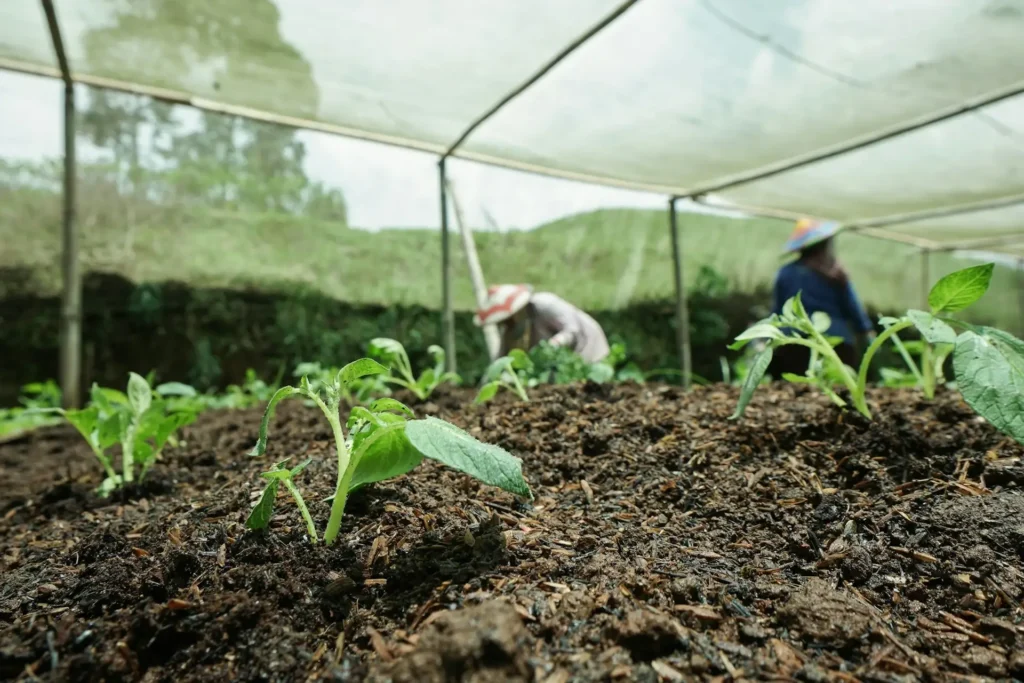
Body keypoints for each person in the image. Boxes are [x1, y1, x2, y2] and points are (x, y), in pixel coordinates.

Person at [769, 219, 876, 377]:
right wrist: (865, 329)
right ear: (825, 244)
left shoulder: (786, 272)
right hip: (837, 342)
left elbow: (778, 311)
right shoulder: (836, 274)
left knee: (791, 390)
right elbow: (852, 307)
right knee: (838, 390)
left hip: (794, 341)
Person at [474, 284, 610, 363]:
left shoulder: (544, 304)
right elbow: (502, 358)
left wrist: (550, 346)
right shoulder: (513, 329)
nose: (505, 325)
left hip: (587, 344)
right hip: (562, 361)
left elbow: (572, 330)